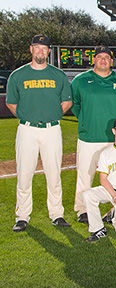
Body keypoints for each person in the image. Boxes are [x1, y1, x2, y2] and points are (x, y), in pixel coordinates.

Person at [6, 34, 72, 232]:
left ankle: (56, 214)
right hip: (27, 129)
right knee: (24, 174)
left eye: (44, 48)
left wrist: (51, 115)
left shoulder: (58, 75)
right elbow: (11, 103)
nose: (41, 51)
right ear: (31, 49)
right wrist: (29, 117)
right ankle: (22, 216)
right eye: (37, 47)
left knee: (54, 174)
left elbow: (66, 102)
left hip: (52, 129)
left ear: (49, 51)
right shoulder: (18, 75)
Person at [71, 45, 116, 224]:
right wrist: (85, 119)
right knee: (85, 174)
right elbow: (75, 104)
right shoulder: (81, 80)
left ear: (112, 61)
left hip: (113, 138)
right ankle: (82, 209)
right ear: (94, 60)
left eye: (107, 57)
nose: (103, 60)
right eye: (99, 57)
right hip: (89, 136)